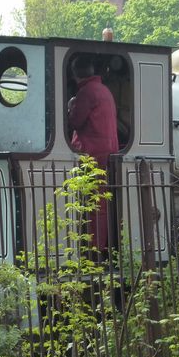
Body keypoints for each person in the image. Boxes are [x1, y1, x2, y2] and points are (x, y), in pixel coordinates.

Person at [67, 55, 119, 252]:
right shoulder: (104, 90)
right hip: (106, 151)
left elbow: (76, 122)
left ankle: (94, 248)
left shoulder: (86, 93)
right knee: (100, 202)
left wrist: (70, 108)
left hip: (92, 153)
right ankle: (99, 246)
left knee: (93, 203)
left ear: (75, 74)